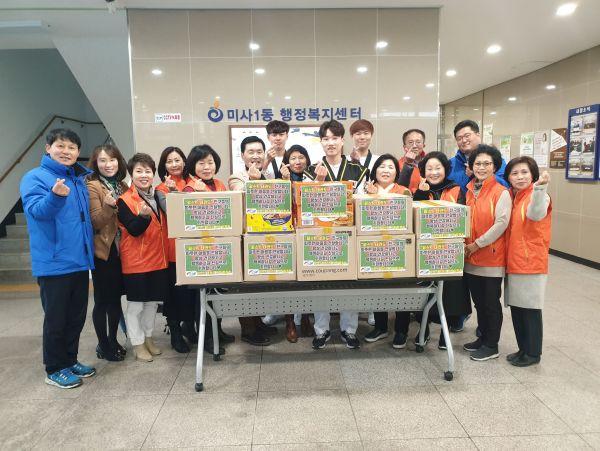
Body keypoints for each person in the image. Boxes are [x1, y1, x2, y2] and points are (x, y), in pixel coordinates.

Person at [20, 128, 96, 389]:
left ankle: (70, 360)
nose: (66, 151)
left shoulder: (78, 179)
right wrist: (54, 196)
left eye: (72, 147)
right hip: (54, 262)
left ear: (78, 152)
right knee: (56, 319)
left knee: (76, 317)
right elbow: (36, 211)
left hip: (79, 260)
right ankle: (54, 368)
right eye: (60, 146)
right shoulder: (34, 177)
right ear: (48, 148)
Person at [305, 120, 369, 350]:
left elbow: (361, 205)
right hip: (320, 237)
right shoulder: (311, 170)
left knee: (348, 284)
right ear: (321, 142)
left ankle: (349, 330)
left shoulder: (358, 170)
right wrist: (318, 183)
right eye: (326, 138)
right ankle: (321, 330)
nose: (330, 143)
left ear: (343, 140)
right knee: (319, 283)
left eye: (335, 138)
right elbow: (307, 207)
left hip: (348, 235)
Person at [412, 152, 471, 348]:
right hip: (424, 251)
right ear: (423, 171)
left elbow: (462, 217)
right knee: (423, 291)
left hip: (449, 250)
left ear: (445, 169)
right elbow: (413, 219)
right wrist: (420, 195)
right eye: (429, 168)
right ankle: (424, 329)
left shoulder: (456, 189)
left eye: (438, 168)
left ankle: (446, 333)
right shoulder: (420, 190)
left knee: (451, 292)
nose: (434, 172)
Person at [182, 144, 235, 352]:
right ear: (192, 166)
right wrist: (201, 194)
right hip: (201, 251)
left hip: (220, 248)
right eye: (201, 163)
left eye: (210, 162)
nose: (207, 167)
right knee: (202, 298)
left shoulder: (219, 184)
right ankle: (207, 339)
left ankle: (217, 330)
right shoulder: (189, 188)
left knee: (216, 294)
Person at [117, 153, 169, 362]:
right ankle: (137, 344)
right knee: (136, 306)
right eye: (139, 171)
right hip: (136, 262)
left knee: (152, 304)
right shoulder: (124, 200)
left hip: (158, 259)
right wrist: (144, 216)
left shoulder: (157, 195)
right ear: (131, 174)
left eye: (148, 171)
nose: (144, 175)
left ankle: (148, 338)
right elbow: (134, 229)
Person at [462, 145, 512, 362]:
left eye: (487, 163)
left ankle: (492, 345)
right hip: (470, 256)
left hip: (491, 257)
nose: (481, 167)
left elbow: (501, 224)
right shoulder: (469, 190)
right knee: (479, 303)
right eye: (478, 163)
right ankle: (482, 338)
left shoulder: (501, 192)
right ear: (471, 166)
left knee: (491, 303)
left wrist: (477, 244)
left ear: (495, 166)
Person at [228, 136, 277, 346]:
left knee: (258, 283)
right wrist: (253, 181)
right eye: (251, 152)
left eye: (259, 151)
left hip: (264, 236)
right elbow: (240, 197)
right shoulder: (237, 176)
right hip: (246, 238)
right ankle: (248, 329)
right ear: (242, 155)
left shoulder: (267, 174)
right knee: (246, 286)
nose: (255, 156)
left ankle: (258, 323)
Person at [504, 157, 551, 367]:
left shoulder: (538, 195)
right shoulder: (516, 197)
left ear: (533, 175)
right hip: (515, 262)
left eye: (524, 172)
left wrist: (540, 188)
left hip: (530, 262)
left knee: (530, 309)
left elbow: (536, 213)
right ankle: (522, 348)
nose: (520, 177)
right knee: (518, 308)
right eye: (514, 173)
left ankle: (532, 353)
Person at [86, 144, 128, 362]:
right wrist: (108, 206)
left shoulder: (122, 185)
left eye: (112, 160)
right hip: (104, 251)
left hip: (122, 251)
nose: (108, 164)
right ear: (96, 163)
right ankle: (103, 345)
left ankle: (113, 340)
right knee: (102, 300)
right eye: (102, 160)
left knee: (115, 299)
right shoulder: (93, 185)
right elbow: (96, 221)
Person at [155, 146, 194, 353]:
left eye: (177, 160)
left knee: (191, 294)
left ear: (184, 162)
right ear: (164, 166)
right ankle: (175, 333)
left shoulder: (192, 183)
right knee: (175, 295)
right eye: (169, 161)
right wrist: (173, 192)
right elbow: (176, 213)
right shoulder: (161, 188)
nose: (174, 164)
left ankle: (190, 328)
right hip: (173, 250)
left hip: (194, 248)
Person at [278, 145, 315, 341]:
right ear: (286, 162)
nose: (298, 161)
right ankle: (290, 321)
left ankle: (306, 318)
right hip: (287, 233)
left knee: (307, 278)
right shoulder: (280, 180)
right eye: (293, 158)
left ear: (307, 160)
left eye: (301, 157)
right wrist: (286, 182)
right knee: (288, 280)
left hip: (308, 234)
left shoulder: (314, 178)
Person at [449, 120, 509, 193]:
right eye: (459, 138)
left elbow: (505, 186)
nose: (464, 140)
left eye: (467, 136)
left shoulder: (494, 160)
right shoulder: (451, 164)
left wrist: (479, 174)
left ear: (478, 135)